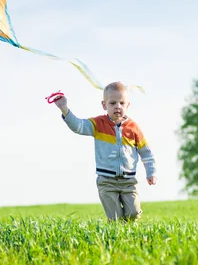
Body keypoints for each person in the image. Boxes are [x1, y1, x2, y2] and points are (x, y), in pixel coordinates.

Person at [52, 81, 157, 221]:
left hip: (128, 181)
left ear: (128, 105)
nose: (117, 107)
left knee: (133, 213)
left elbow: (146, 152)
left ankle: (130, 233)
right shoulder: (98, 124)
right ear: (104, 105)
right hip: (106, 182)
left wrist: (151, 172)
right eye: (113, 103)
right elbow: (78, 126)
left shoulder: (133, 128)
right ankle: (117, 238)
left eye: (121, 103)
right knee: (116, 218)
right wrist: (64, 109)